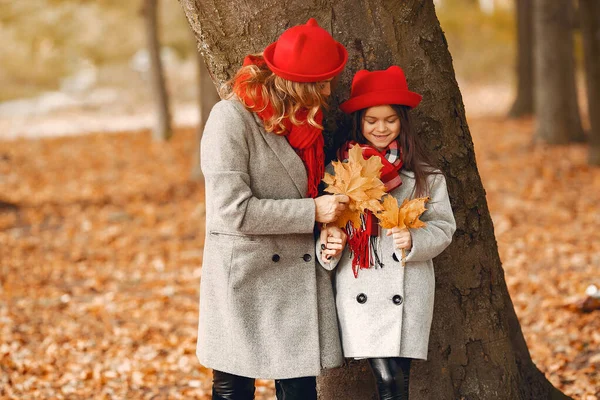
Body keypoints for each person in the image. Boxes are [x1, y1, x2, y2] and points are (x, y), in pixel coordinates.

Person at [198, 18, 349, 400]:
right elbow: (232, 210)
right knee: (234, 387)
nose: (331, 89)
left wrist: (327, 226)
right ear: (299, 84)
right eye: (323, 82)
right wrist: (312, 212)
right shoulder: (230, 120)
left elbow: (311, 189)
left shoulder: (309, 125)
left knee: (300, 387)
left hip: (296, 272)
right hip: (244, 274)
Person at [317, 66, 457, 400]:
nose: (381, 128)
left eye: (390, 120)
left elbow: (444, 226)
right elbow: (326, 226)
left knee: (396, 382)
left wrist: (414, 241)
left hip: (407, 289)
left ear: (403, 122)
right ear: (359, 123)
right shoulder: (339, 172)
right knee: (390, 381)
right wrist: (329, 246)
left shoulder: (426, 175)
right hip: (359, 288)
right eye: (372, 121)